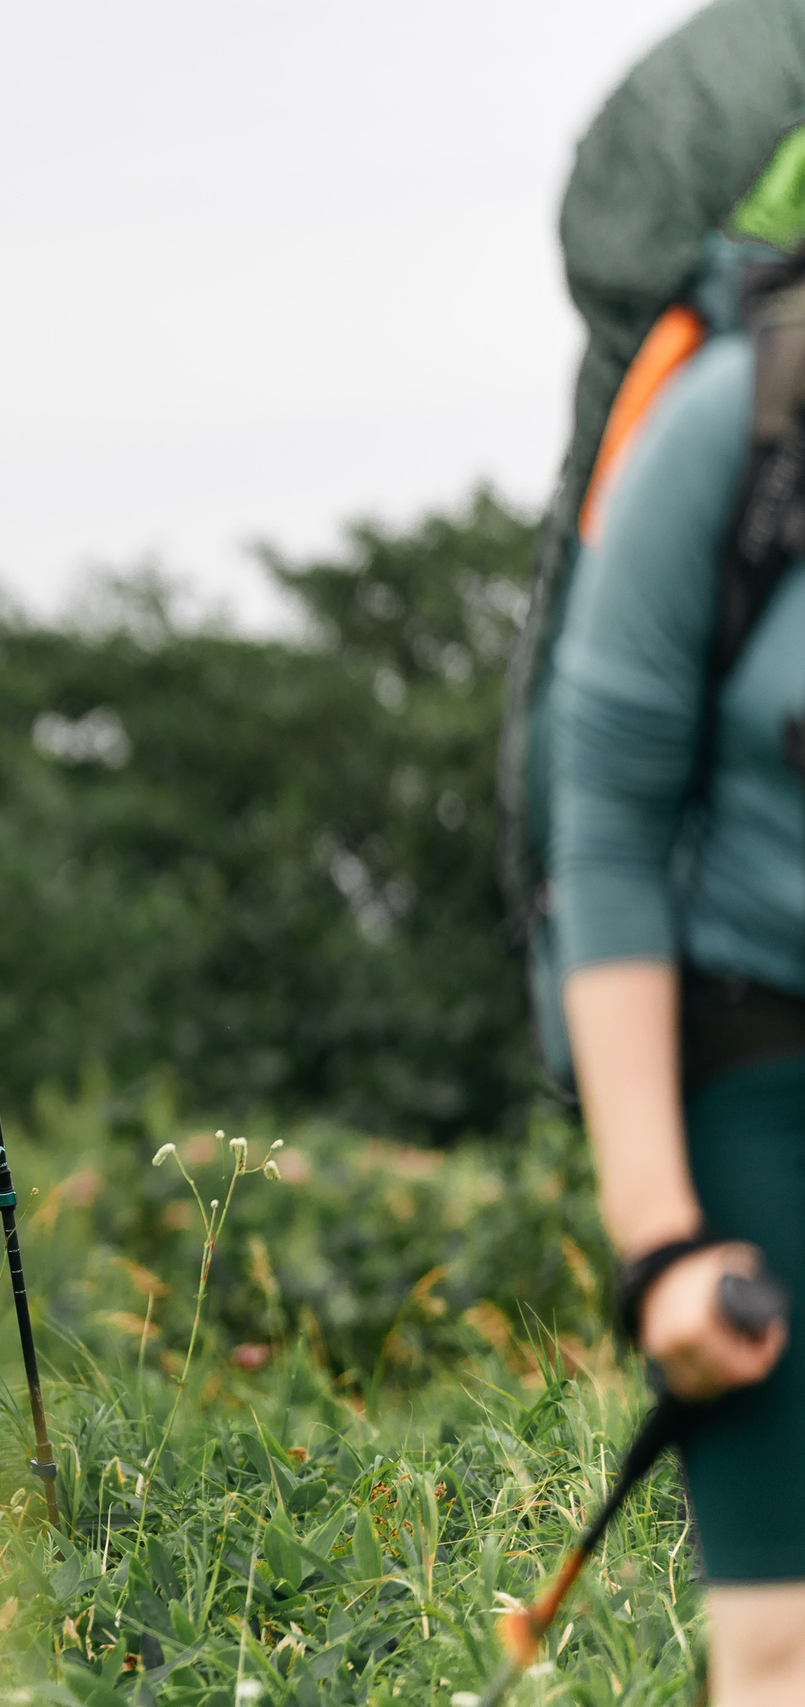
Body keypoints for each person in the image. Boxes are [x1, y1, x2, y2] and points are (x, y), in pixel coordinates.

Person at [552, 322, 805, 1701]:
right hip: (764, 1050)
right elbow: (608, 836)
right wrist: (665, 1245)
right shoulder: (738, 426)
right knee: (783, 1645)